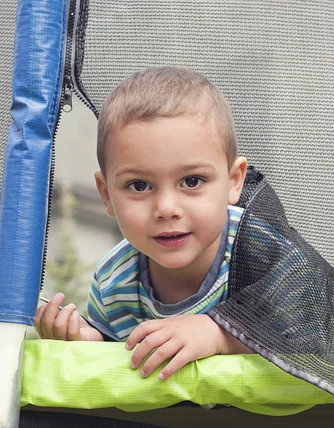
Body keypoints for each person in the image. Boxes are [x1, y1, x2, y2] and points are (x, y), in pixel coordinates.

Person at [35, 66, 253, 381]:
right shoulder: (113, 283)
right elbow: (120, 379)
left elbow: (324, 339)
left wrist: (220, 334)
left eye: (192, 181)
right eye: (139, 186)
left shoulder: (260, 248)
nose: (166, 209)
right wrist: (90, 347)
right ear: (106, 194)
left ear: (234, 182)